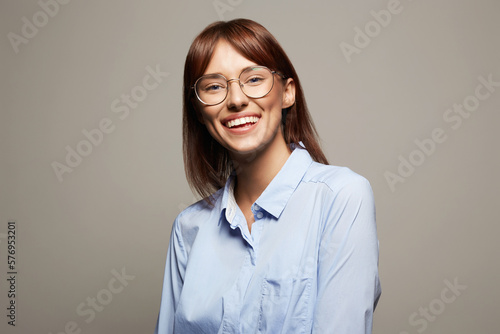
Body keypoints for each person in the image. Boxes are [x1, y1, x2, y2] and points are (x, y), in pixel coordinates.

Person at [155, 18, 381, 334]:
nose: (235, 100)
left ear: (287, 93)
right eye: (214, 86)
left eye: (254, 79)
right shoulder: (188, 228)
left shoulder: (341, 197)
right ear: (198, 110)